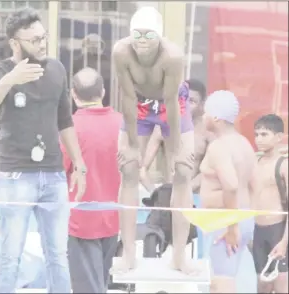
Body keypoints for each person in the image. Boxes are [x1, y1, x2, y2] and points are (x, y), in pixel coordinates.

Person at [0, 8, 86, 293]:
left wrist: (79, 163)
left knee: (58, 255)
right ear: (15, 42)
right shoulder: (0, 71)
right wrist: (12, 79)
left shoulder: (56, 69)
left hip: (53, 173)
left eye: (44, 37)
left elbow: (65, 120)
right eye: (34, 39)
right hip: (15, 174)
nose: (42, 43)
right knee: (10, 254)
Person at [111, 6, 195, 274]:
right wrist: (134, 145)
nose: (142, 40)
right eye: (137, 34)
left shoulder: (172, 56)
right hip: (138, 104)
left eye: (149, 35)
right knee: (128, 169)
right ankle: (128, 254)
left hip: (171, 104)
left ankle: (179, 256)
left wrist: (177, 149)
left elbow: (170, 103)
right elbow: (126, 96)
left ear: (159, 36)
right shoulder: (121, 52)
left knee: (182, 171)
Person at [61, 68, 122, 293]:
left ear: (73, 94)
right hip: (113, 219)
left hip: (81, 222)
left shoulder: (70, 128)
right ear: (103, 92)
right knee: (100, 285)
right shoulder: (122, 125)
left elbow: (59, 170)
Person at [200, 90, 256, 293]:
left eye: (205, 113)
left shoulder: (219, 147)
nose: (203, 117)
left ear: (216, 117)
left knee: (221, 280)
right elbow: (253, 185)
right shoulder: (244, 144)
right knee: (224, 277)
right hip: (241, 217)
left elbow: (231, 185)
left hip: (226, 222)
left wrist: (232, 228)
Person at [251, 114, 288, 293]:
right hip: (258, 231)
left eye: (264, 134)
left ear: (279, 137)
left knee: (281, 286)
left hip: (278, 231)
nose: (259, 139)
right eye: (256, 134)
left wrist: (284, 242)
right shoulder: (254, 163)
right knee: (262, 286)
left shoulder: (283, 165)